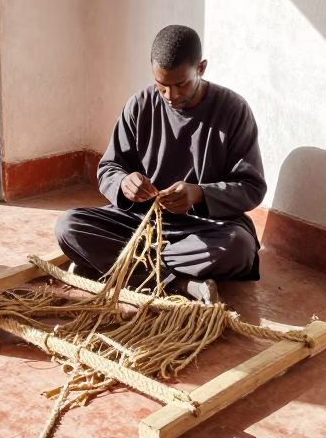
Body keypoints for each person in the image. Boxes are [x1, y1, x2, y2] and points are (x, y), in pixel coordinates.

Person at [54, 25, 266, 304]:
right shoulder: (140, 105)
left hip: (203, 227)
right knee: (69, 226)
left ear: (201, 68)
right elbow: (109, 168)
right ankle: (180, 282)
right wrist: (124, 183)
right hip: (141, 222)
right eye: (161, 85)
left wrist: (198, 194)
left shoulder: (233, 110)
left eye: (181, 85)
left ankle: (117, 268)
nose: (170, 95)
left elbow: (251, 187)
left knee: (238, 247)